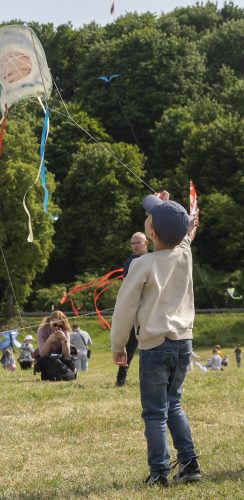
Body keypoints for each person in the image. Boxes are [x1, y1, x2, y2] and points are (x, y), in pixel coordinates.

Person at [110, 191, 201, 486]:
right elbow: (182, 232)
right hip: (183, 344)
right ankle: (189, 464)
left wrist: (118, 344)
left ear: (150, 233)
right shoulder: (184, 252)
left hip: (155, 347)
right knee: (173, 404)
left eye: (149, 217)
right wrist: (166, 205)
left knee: (154, 413)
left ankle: (160, 472)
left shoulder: (141, 265)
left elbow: (124, 309)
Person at [115, 232, 149, 386]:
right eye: (133, 243)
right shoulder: (130, 262)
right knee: (130, 345)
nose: (135, 246)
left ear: (146, 243)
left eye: (138, 242)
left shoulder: (154, 259)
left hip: (152, 308)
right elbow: (129, 286)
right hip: (135, 310)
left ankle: (150, 377)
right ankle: (121, 378)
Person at [35, 310, 76, 381]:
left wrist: (64, 340)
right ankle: (68, 374)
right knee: (48, 362)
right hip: (48, 359)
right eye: (55, 325)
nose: (57, 327)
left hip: (61, 358)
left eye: (60, 325)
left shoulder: (65, 330)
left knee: (67, 360)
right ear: (50, 321)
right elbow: (42, 354)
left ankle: (64, 374)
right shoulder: (42, 330)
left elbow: (66, 354)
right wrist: (48, 341)